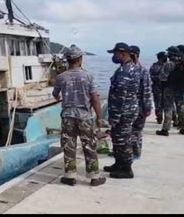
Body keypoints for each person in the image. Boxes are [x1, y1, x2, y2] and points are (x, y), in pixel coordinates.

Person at [52, 45, 106, 186]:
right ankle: (94, 177)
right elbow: (94, 98)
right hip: (84, 116)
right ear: (80, 59)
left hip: (67, 115)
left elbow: (55, 95)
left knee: (69, 145)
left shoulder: (61, 77)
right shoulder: (87, 76)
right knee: (89, 145)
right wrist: (99, 118)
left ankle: (70, 176)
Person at [103, 42, 141, 179]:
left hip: (124, 111)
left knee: (123, 140)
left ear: (122, 53)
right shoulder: (129, 68)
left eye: (115, 54)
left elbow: (120, 95)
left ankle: (127, 169)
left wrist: (115, 116)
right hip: (127, 110)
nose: (114, 56)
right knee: (117, 139)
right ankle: (119, 164)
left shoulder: (126, 71)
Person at [156, 46, 184, 136]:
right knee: (181, 107)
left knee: (168, 108)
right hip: (180, 89)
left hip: (169, 88)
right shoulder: (183, 63)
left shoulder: (168, 64)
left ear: (171, 54)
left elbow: (162, 77)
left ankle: (165, 129)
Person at [129, 45, 152, 160]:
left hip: (138, 106)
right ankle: (130, 152)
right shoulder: (126, 69)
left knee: (136, 131)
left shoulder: (143, 71)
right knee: (129, 131)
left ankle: (135, 153)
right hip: (128, 106)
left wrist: (148, 107)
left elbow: (147, 91)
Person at [149, 51, 167, 124]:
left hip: (166, 87)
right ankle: (159, 117)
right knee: (158, 103)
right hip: (158, 87)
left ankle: (172, 117)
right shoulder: (155, 66)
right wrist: (159, 78)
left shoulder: (168, 65)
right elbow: (150, 76)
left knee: (167, 104)